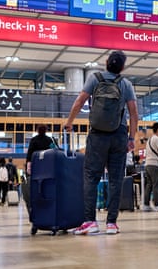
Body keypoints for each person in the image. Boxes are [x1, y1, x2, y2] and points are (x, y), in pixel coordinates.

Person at [65, 50, 138, 235]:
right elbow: (134, 113)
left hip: (97, 134)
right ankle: (111, 223)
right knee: (116, 179)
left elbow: (79, 101)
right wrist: (131, 137)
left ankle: (90, 221)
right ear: (122, 67)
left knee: (91, 176)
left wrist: (69, 122)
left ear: (106, 62)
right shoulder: (126, 84)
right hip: (119, 134)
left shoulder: (94, 78)